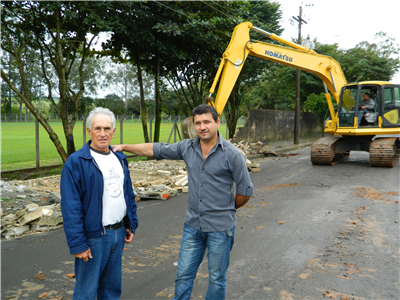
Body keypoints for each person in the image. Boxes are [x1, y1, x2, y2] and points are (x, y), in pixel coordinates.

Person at [113, 104, 253, 300]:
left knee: (216, 279)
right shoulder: (187, 148)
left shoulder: (232, 155)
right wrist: (123, 147)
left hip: (221, 229)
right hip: (193, 227)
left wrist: (227, 209)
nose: (202, 127)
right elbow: (155, 149)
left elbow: (245, 191)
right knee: (183, 276)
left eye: (207, 122)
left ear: (217, 123)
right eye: (198, 123)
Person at [60, 107, 138, 299]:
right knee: (86, 292)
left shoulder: (119, 158)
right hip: (94, 237)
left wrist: (130, 224)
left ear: (113, 131)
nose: (102, 134)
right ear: (89, 131)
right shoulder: (76, 162)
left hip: (118, 234)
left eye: (107, 128)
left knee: (111, 290)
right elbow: (71, 207)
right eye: (97, 129)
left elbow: (127, 194)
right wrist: (78, 244)